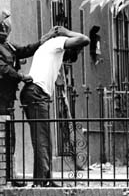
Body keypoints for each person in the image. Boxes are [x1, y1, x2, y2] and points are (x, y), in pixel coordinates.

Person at [0, 8, 51, 187]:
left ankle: (9, 176)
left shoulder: (4, 44)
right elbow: (0, 67)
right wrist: (21, 77)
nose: (8, 24)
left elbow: (22, 51)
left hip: (5, 99)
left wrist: (41, 42)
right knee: (3, 138)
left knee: (9, 138)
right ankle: (2, 177)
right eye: (5, 21)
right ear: (0, 25)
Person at [20, 26, 90, 187]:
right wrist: (65, 32)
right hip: (36, 94)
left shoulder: (51, 49)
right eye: (77, 51)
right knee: (42, 139)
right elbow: (85, 39)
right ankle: (41, 181)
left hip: (36, 93)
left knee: (44, 139)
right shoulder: (57, 42)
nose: (76, 54)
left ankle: (44, 179)